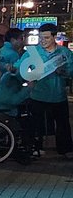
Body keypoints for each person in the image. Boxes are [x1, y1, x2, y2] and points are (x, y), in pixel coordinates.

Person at [20, 23, 72, 157]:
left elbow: (72, 70)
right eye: (41, 38)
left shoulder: (65, 52)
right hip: (38, 95)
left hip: (58, 95)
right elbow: (20, 67)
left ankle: (65, 149)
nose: (42, 41)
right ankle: (36, 147)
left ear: (54, 37)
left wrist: (65, 72)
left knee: (62, 124)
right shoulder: (33, 52)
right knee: (36, 124)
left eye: (47, 38)